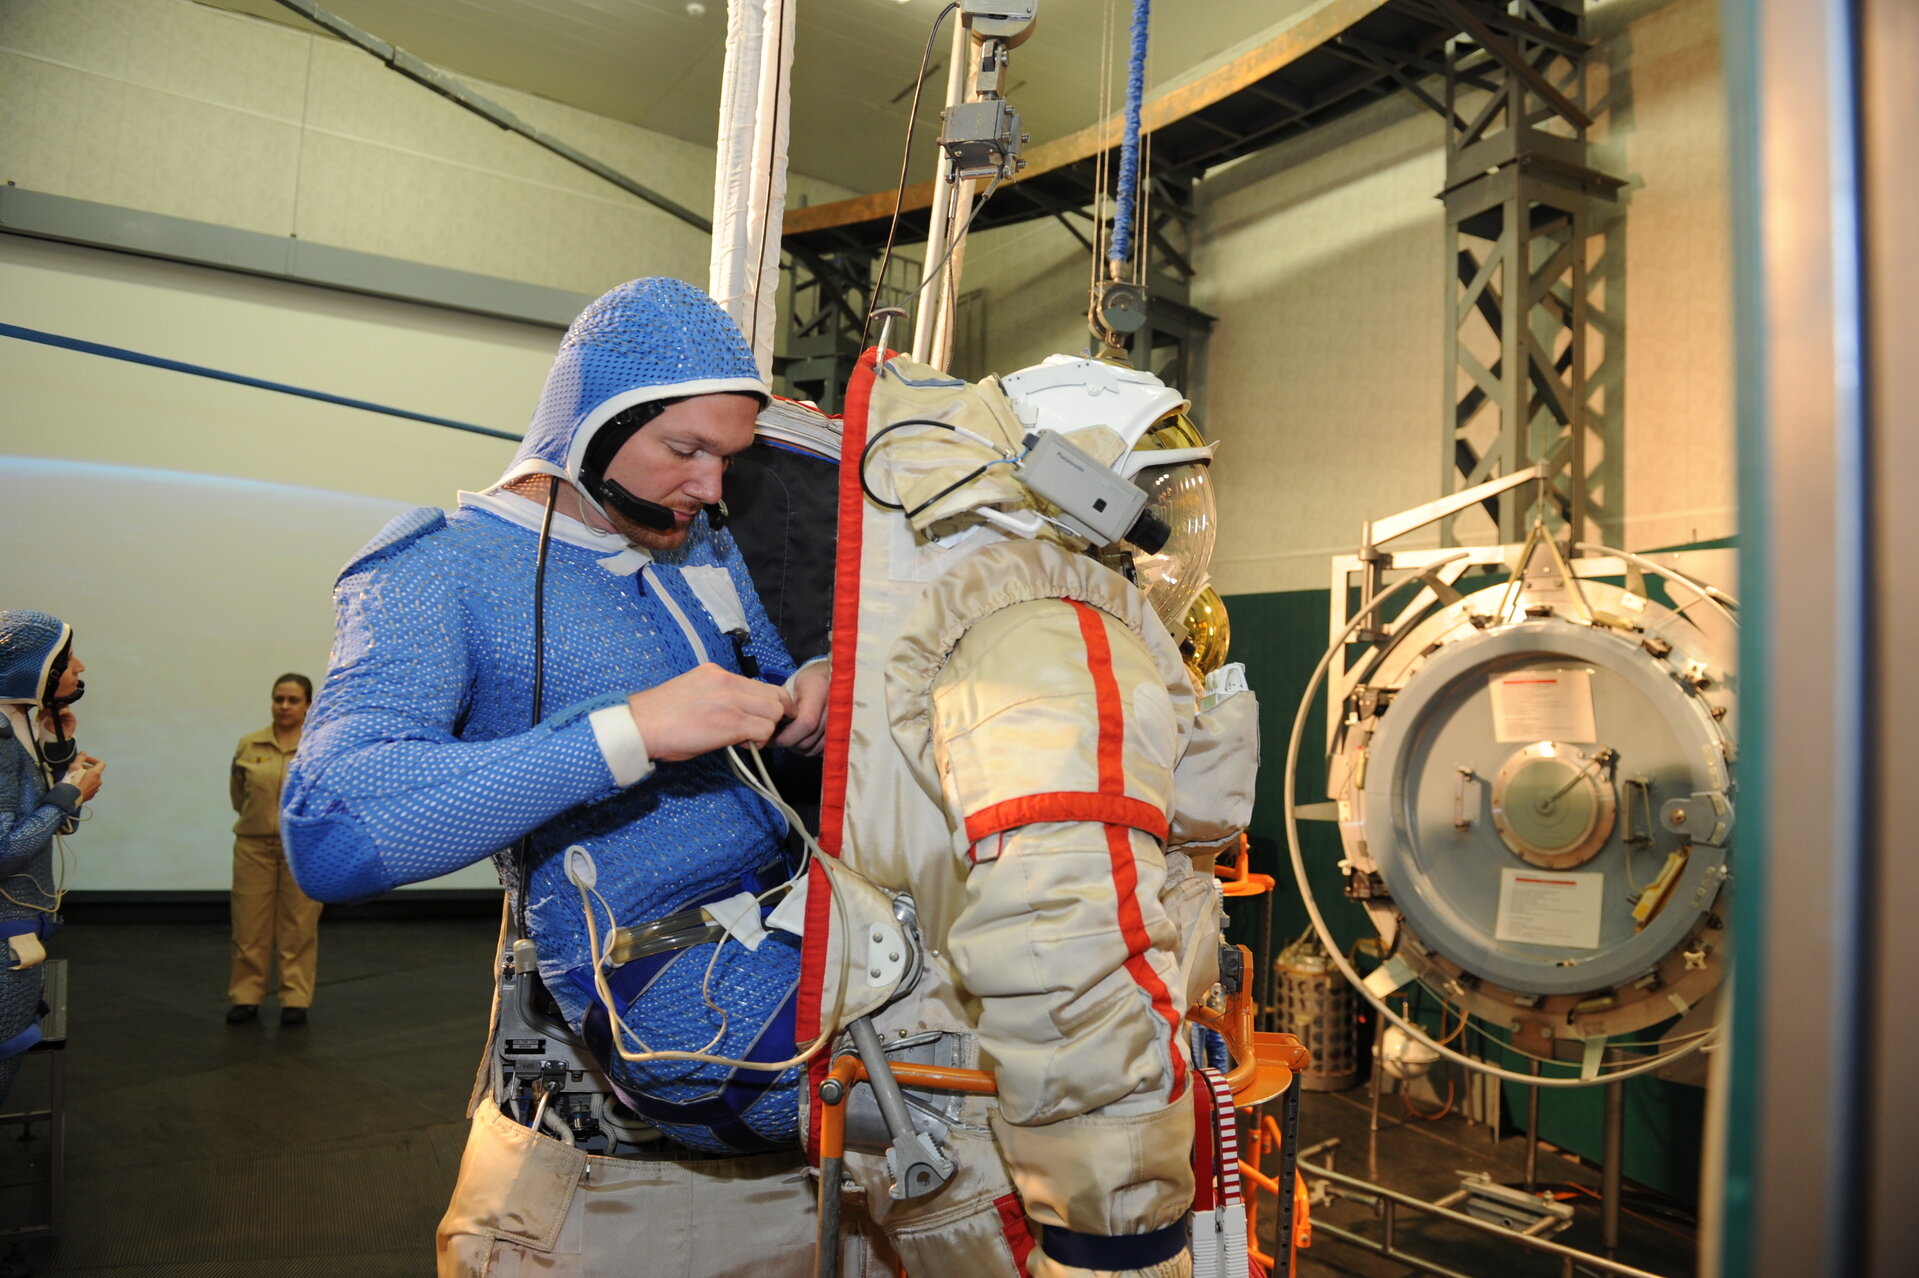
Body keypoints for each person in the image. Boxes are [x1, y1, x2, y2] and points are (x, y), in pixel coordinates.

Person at [279, 278, 879, 1278]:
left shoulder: (701, 550)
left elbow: (758, 695)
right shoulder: (437, 570)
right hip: (597, 1182)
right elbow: (332, 834)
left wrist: (810, 691)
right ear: (585, 432)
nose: (709, 488)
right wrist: (626, 732)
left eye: (725, 458)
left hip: (799, 1130)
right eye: (683, 452)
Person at [797, 351, 1259, 1278]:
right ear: (1077, 482)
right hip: (1030, 1166)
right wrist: (1122, 1235)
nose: (1167, 541)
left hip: (978, 1125)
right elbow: (1070, 950)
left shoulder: (1003, 614)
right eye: (1149, 499)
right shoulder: (1058, 642)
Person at [0, 611, 105, 1105]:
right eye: (65, 661)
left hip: (19, 938)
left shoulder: (17, 726)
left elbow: (51, 829)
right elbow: (5, 852)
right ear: (32, 669)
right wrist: (68, 794)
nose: (79, 667)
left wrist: (57, 756)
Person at [226, 673, 323, 1027]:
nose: (284, 706)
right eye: (278, 699)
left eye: (293, 700)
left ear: (308, 705)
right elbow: (240, 797)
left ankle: (294, 998)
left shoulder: (318, 747)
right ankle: (246, 996)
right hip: (254, 848)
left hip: (303, 850)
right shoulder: (249, 745)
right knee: (249, 927)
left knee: (298, 926)